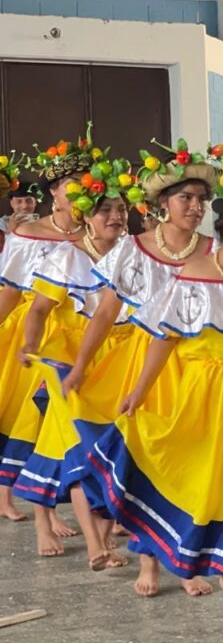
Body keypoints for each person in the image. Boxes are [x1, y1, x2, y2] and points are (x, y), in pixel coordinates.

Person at [88, 172, 223, 636]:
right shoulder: (196, 277)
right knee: (216, 487)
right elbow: (164, 338)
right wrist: (140, 390)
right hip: (212, 396)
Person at [60, 137, 223, 597]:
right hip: (142, 364)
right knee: (144, 459)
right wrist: (81, 366)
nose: (195, 207)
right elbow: (105, 312)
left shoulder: (214, 249)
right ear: (162, 204)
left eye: (201, 199)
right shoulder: (132, 248)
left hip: (196, 365)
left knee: (192, 461)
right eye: (185, 198)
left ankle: (186, 561)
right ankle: (148, 559)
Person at [11, 154, 135, 566]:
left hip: (121, 358)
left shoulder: (134, 254)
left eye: (121, 209)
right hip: (69, 358)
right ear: (87, 216)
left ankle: (105, 534)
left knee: (112, 446)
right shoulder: (66, 256)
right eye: (105, 210)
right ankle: (88, 542)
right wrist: (30, 344)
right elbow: (37, 310)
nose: (116, 216)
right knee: (78, 446)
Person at [0, 129, 100, 526]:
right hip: (35, 326)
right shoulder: (29, 233)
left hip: (84, 329)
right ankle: (13, 497)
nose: (78, 192)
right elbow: (11, 290)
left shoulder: (97, 232)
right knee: (28, 414)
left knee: (69, 419)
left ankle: (65, 504)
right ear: (54, 193)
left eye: (84, 184)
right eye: (71, 185)